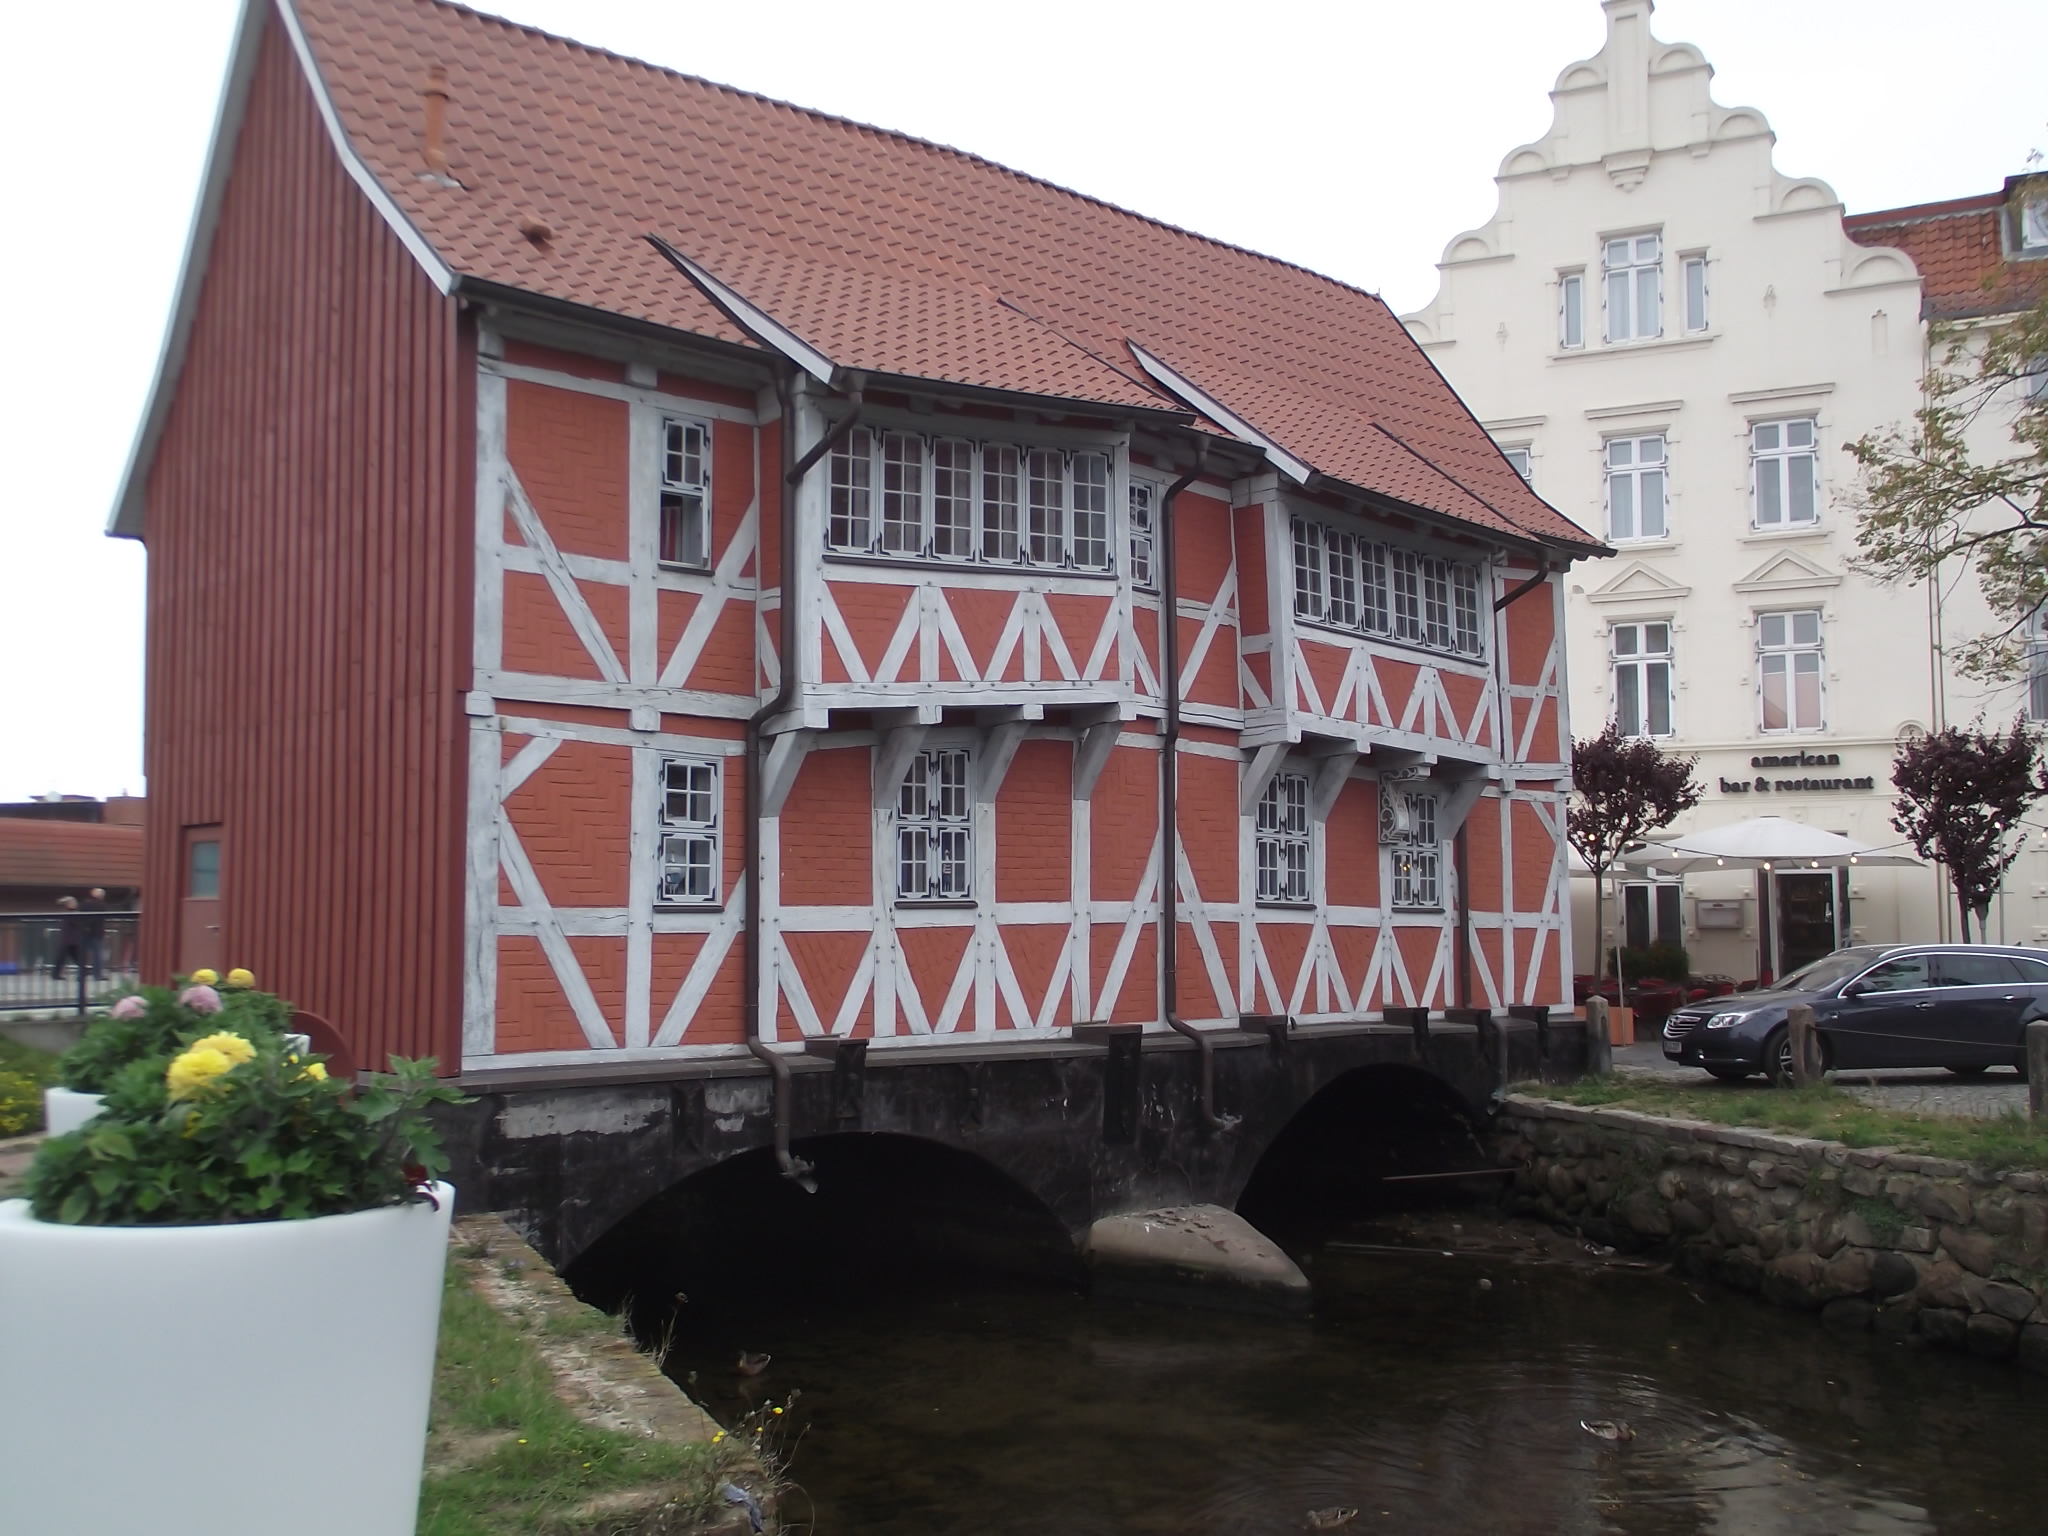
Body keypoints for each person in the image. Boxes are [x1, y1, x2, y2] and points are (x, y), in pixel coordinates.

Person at [50, 895, 87, 982]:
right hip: (72, 939)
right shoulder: (73, 914)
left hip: (67, 939)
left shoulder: (66, 913)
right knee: (78, 958)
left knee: (62, 958)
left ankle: (56, 974)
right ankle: (81, 975)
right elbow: (79, 924)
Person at [80, 888, 107, 981]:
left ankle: (81, 975)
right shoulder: (101, 905)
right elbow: (101, 919)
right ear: (100, 896)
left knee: (83, 955)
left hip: (84, 933)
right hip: (97, 933)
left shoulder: (84, 904)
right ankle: (97, 975)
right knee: (97, 955)